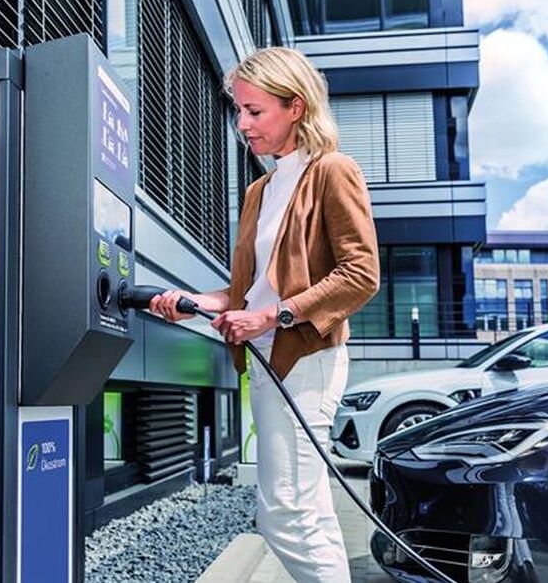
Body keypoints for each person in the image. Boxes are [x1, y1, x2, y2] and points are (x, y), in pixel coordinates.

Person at [150, 47, 379, 582]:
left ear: (295, 107)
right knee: (309, 510)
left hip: (306, 360)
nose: (242, 124)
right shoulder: (261, 190)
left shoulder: (332, 171)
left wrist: (274, 317)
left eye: (254, 111)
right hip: (265, 361)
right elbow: (252, 290)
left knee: (287, 514)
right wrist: (200, 302)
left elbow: (361, 273)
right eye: (240, 110)